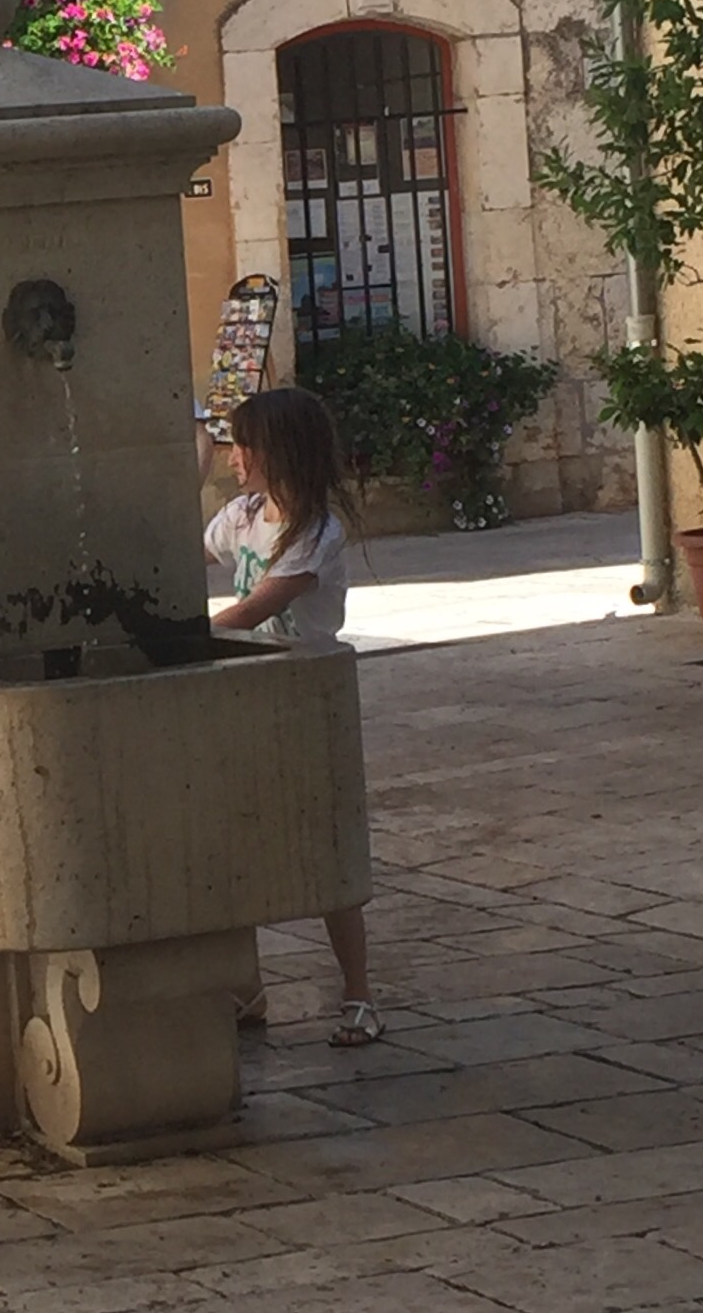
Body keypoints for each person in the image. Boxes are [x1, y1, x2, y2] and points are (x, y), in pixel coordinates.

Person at [203, 386, 385, 1049]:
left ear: (277, 450)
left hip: (307, 697)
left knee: (327, 848)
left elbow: (255, 609)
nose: (234, 457)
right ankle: (246, 990)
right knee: (236, 840)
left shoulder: (316, 532)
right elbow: (179, 551)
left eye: (243, 445)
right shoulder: (242, 514)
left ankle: (359, 994)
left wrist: (182, 638)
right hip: (247, 694)